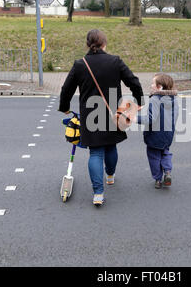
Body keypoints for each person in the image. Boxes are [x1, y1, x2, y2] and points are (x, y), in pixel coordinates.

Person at [59, 29, 144, 206]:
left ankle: (98, 193)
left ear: (87, 44)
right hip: (113, 112)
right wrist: (139, 100)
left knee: (96, 152)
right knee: (111, 146)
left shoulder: (80, 64)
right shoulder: (115, 61)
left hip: (90, 113)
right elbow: (134, 81)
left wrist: (65, 108)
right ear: (104, 43)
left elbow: (66, 89)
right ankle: (110, 176)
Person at [136, 74, 179, 189]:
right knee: (165, 152)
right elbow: (175, 116)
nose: (151, 85)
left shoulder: (155, 99)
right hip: (168, 133)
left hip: (154, 134)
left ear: (159, 87)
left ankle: (158, 179)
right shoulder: (174, 98)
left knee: (154, 156)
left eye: (153, 83)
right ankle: (168, 171)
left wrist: (134, 118)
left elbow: (150, 119)